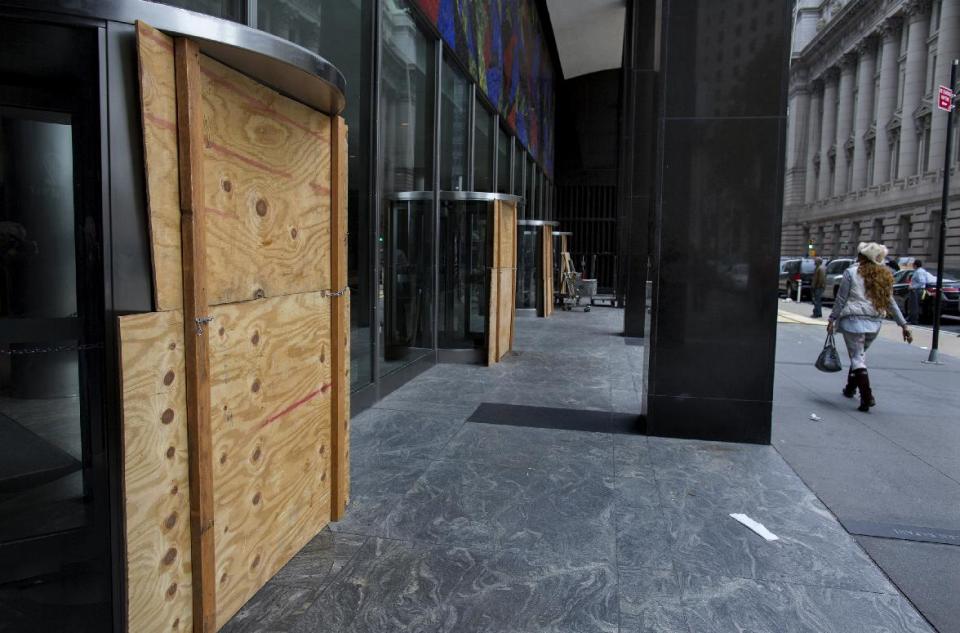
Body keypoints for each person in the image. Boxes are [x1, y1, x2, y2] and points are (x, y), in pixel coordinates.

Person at [827, 242, 912, 412]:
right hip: (874, 324)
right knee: (859, 355)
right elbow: (890, 302)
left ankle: (867, 397)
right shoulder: (885, 276)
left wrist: (832, 318)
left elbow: (841, 299)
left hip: (853, 321)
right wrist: (903, 324)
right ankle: (850, 388)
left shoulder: (851, 273)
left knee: (857, 358)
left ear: (862, 257)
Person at [907, 259, 933, 325]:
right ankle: (912, 319)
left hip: (916, 291)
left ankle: (914, 321)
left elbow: (922, 282)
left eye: (913, 264)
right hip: (919, 290)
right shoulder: (922, 271)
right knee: (914, 305)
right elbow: (926, 280)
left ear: (915, 265)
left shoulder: (919, 272)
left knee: (914, 306)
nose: (912, 266)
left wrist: (913, 287)